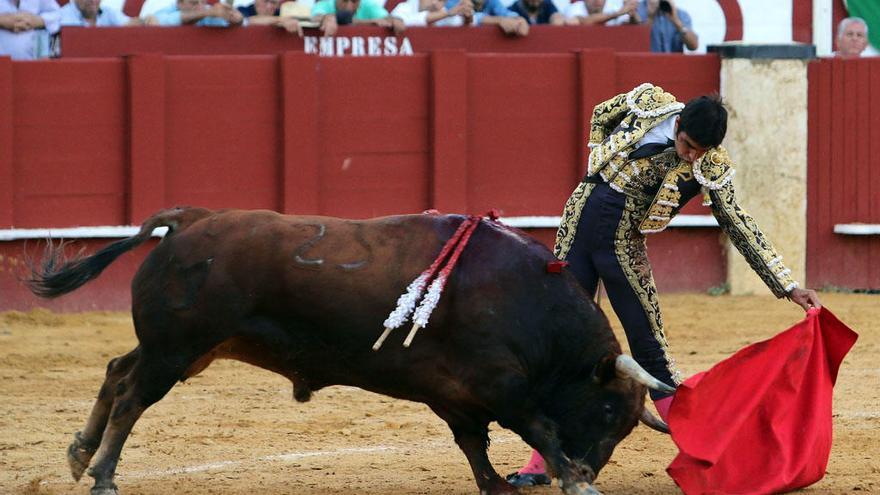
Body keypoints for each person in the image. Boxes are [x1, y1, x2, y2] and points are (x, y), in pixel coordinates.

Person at [504, 83, 823, 488]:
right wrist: (595, 164)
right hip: (578, 226)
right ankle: (539, 464)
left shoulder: (710, 165)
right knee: (562, 347)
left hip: (622, 245)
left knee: (650, 350)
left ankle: (702, 454)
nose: (691, 156)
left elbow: (738, 223)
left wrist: (787, 284)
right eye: (688, 145)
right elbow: (602, 112)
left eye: (700, 151)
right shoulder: (648, 104)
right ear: (678, 124)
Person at [311, 0, 405, 36]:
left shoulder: (368, 5)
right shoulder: (324, 4)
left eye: (354, 1)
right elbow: (315, 18)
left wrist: (395, 21)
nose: (349, 7)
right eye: (344, 1)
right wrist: (326, 18)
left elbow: (388, 19)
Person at [238, 0, 308, 35]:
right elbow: (247, 21)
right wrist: (280, 20)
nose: (269, 6)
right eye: (265, 1)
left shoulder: (281, 12)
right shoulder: (242, 10)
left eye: (273, 2)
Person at [153, 0, 244, 26]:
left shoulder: (209, 11)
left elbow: (224, 24)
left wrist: (236, 20)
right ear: (179, 3)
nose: (200, 7)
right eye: (194, 3)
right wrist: (207, 13)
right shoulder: (163, 8)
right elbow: (164, 21)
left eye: (203, 3)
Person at [59, 0, 151, 26]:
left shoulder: (108, 13)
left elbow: (129, 24)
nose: (93, 1)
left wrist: (145, 21)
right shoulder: (61, 18)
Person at [389, 0, 472, 27]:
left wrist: (467, 17)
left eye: (440, 0)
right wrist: (447, 13)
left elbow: (460, 23)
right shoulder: (404, 7)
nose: (434, 3)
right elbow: (405, 21)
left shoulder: (443, 12)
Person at [565, 0, 639, 26]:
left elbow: (633, 25)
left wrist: (632, 13)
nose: (597, 0)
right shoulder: (574, 7)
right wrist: (618, 13)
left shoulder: (614, 7)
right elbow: (583, 21)